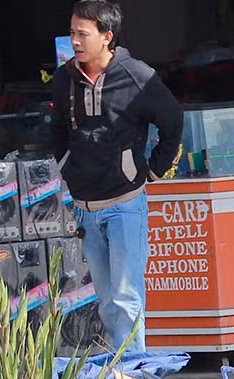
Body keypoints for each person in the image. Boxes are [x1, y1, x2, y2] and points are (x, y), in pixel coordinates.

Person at [52, 0, 183, 354]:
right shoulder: (64, 78)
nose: (75, 41)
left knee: (126, 295)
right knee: (107, 300)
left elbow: (173, 121)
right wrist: (68, 167)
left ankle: (134, 370)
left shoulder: (138, 75)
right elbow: (57, 131)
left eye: (83, 34)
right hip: (85, 207)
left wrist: (154, 168)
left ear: (106, 36)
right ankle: (122, 363)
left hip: (125, 203)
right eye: (72, 32)